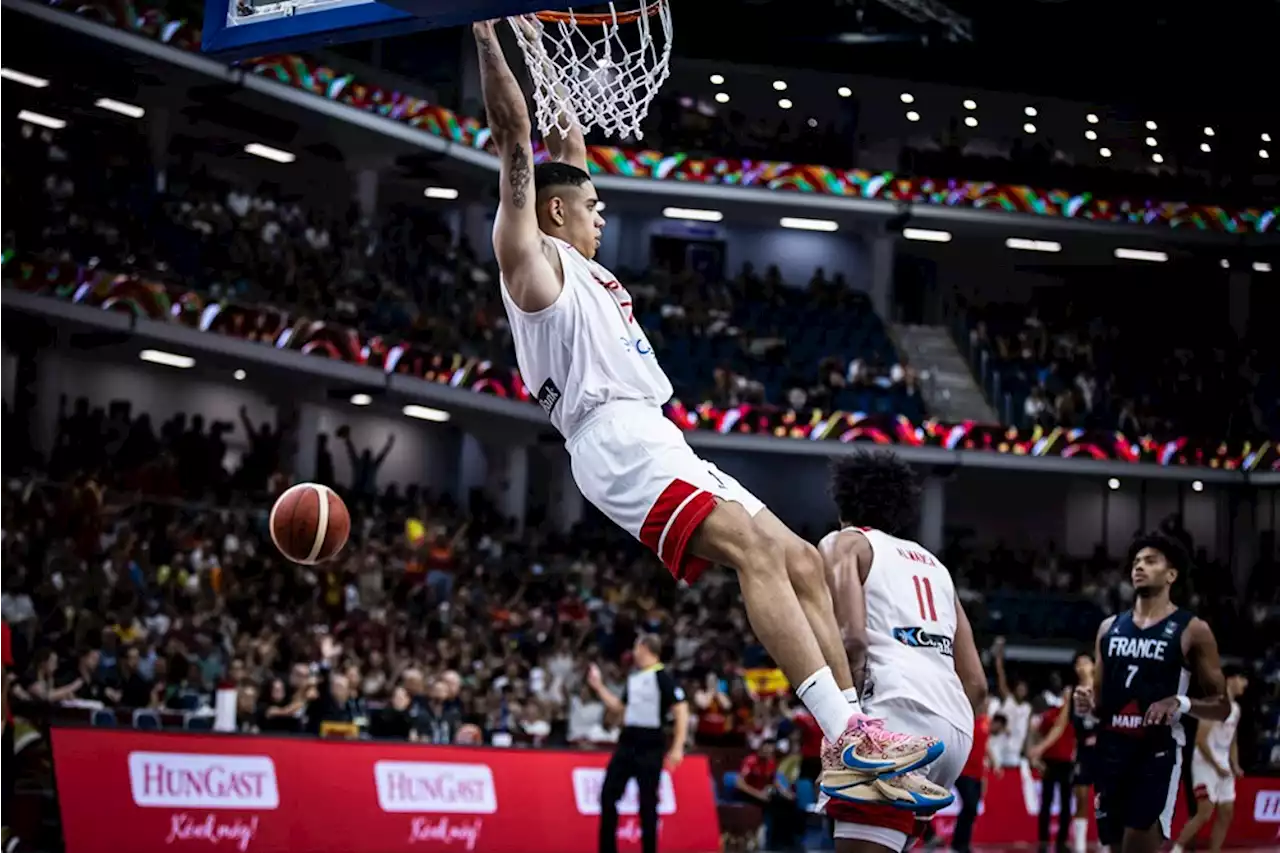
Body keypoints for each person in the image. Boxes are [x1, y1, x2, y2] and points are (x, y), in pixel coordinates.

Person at [470, 15, 940, 786]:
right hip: (611, 440)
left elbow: (562, 136)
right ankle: (845, 731)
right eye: (591, 207)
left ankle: (855, 737)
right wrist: (487, 29)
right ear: (555, 212)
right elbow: (519, 140)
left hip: (657, 432)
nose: (602, 215)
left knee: (800, 559)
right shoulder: (531, 263)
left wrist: (537, 34)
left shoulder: (581, 260)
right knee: (756, 554)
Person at [814, 451, 988, 851]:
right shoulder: (937, 567)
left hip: (892, 720)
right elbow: (977, 684)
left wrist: (845, 717)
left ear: (844, 501)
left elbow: (852, 640)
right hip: (955, 733)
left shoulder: (846, 542)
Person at [1075, 532, 1230, 853]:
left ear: (1171, 575)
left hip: (1157, 754)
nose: (1139, 567)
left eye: (1150, 561)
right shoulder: (1109, 628)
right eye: (1136, 562)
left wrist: (1180, 702)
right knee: (1114, 849)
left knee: (1139, 846)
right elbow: (1100, 702)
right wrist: (1086, 704)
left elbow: (1222, 706)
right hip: (1111, 753)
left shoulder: (1192, 629)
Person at [585, 634, 689, 853]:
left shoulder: (663, 677)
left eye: (635, 647)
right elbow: (619, 708)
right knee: (608, 795)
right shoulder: (635, 678)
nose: (633, 652)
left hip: (650, 746)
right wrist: (599, 686)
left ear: (643, 647)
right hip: (627, 743)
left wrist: (678, 746)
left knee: (648, 805)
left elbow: (681, 709)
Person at [1171, 666, 1248, 853]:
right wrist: (1216, 766)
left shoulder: (1236, 709)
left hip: (1223, 765)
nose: (1245, 684)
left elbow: (1233, 740)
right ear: (1230, 679)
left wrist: (1234, 764)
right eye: (1242, 678)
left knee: (1226, 812)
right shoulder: (1214, 704)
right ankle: (1177, 849)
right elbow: (1200, 740)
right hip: (1205, 763)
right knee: (1204, 812)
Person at [1028, 684, 1077, 853]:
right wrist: (1037, 758)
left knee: (1066, 804)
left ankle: (1062, 841)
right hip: (1050, 762)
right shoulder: (1050, 715)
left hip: (1066, 763)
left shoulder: (1074, 718)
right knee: (1046, 803)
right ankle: (1043, 840)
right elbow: (1039, 734)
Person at [951, 712, 995, 853]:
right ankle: (958, 843)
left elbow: (985, 745)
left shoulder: (985, 721)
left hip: (978, 772)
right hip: (964, 771)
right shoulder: (965, 718)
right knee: (969, 805)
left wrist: (993, 761)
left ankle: (963, 844)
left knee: (972, 809)